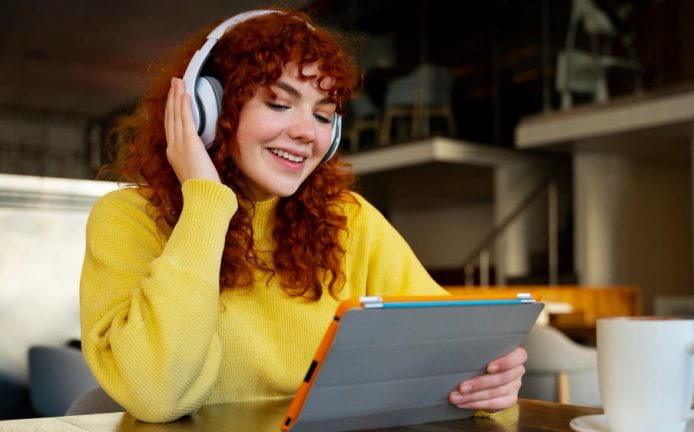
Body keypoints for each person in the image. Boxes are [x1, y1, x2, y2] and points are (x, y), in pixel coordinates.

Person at [79, 8, 527, 423]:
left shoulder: (349, 220)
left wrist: (488, 381)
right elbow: (159, 393)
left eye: (324, 115)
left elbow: (450, 352)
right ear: (207, 110)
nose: (306, 133)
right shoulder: (129, 219)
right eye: (279, 104)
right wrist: (205, 204)